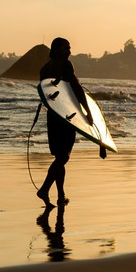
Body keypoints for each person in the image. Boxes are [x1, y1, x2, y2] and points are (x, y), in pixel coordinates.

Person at [37, 37, 94, 208]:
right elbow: (76, 88)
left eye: (69, 48)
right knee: (63, 157)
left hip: (53, 117)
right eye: (65, 48)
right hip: (67, 116)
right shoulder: (65, 65)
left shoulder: (44, 69)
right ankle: (44, 189)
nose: (69, 51)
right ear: (56, 50)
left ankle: (61, 195)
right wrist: (88, 111)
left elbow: (48, 95)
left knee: (59, 157)